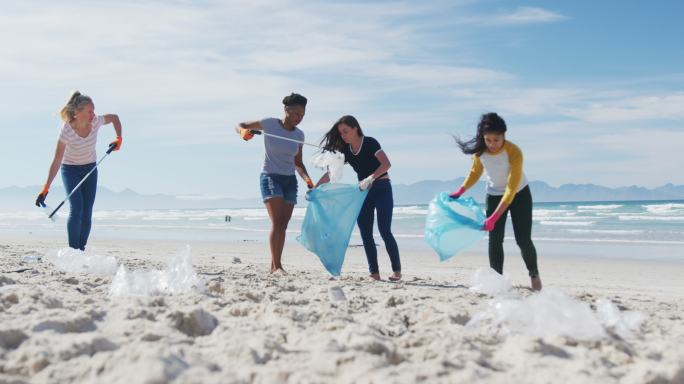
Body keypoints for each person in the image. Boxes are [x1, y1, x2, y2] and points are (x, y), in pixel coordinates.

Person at [451, 112, 542, 290]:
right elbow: (475, 172)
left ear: (504, 136)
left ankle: (534, 273)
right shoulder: (480, 153)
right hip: (493, 195)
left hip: (519, 194)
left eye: (496, 139)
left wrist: (493, 217)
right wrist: (460, 190)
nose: (492, 144)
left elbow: (510, 189)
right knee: (494, 239)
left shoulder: (514, 151)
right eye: (488, 140)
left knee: (523, 240)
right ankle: (497, 281)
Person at [235, 93, 314, 274]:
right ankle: (277, 266)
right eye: (296, 114)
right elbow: (240, 125)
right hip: (270, 177)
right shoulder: (269, 124)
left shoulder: (299, 135)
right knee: (277, 222)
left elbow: (298, 163)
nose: (299, 118)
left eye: (302, 116)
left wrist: (309, 181)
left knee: (283, 224)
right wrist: (243, 132)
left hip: (290, 181)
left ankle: (274, 266)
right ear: (286, 109)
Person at [316, 115, 401, 281]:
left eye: (346, 131)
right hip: (363, 192)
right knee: (365, 233)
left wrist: (371, 178)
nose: (343, 136)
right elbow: (331, 173)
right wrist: (315, 188)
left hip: (382, 188)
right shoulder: (346, 151)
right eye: (341, 133)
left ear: (355, 128)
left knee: (385, 230)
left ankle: (397, 271)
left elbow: (386, 164)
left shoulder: (370, 142)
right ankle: (374, 273)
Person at [35, 91, 122, 250]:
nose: (93, 114)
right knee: (77, 209)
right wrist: (45, 188)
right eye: (89, 111)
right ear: (77, 113)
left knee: (87, 211)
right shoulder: (66, 131)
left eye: (93, 110)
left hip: (90, 168)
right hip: (70, 170)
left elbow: (114, 118)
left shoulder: (95, 122)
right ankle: (72, 250)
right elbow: (56, 161)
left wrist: (119, 138)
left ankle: (81, 249)